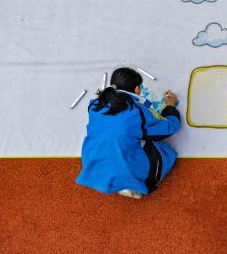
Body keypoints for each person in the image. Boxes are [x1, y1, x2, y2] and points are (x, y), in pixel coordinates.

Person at [77, 68, 181, 199]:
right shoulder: (136, 110)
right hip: (124, 169)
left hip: (91, 163)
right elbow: (169, 127)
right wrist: (170, 107)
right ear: (137, 89)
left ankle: (119, 178)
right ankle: (132, 183)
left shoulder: (94, 105)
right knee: (164, 152)